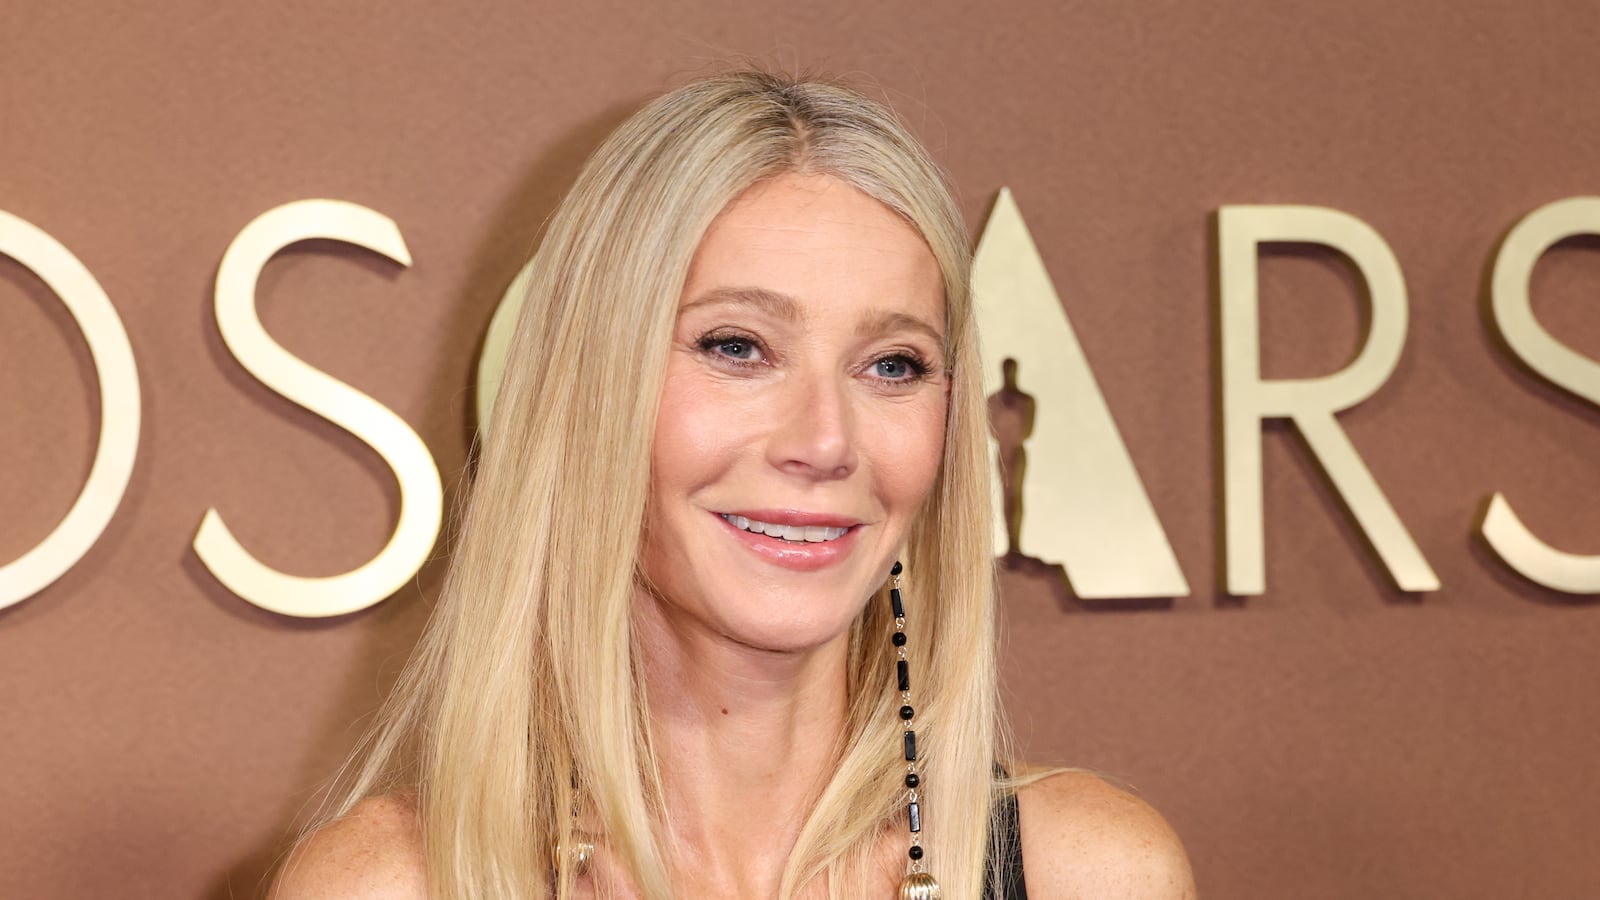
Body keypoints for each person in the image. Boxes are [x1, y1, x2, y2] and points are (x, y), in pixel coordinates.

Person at [269, 70, 1195, 900]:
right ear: (591, 392)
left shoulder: (1092, 873)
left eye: (893, 365)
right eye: (737, 347)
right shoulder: (394, 887)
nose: (826, 441)